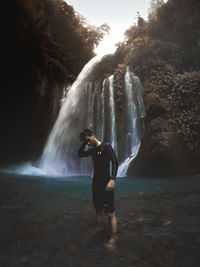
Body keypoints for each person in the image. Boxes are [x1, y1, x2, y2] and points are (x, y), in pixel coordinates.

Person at [78, 129, 118, 248]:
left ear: (93, 135)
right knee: (98, 207)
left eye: (89, 140)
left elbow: (115, 162)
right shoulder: (92, 151)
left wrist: (112, 179)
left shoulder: (106, 146)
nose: (88, 143)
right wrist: (84, 143)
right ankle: (100, 226)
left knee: (110, 212)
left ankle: (114, 235)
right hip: (96, 183)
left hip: (106, 182)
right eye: (86, 142)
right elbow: (80, 154)